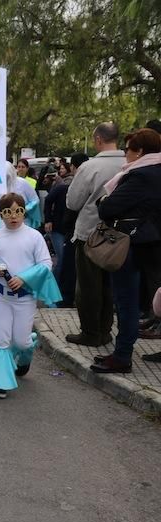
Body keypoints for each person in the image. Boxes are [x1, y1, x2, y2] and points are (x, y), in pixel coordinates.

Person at [90, 128, 161, 372]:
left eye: (128, 149)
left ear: (140, 152)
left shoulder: (141, 175)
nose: (125, 155)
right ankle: (121, 354)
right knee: (147, 301)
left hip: (132, 246)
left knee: (126, 302)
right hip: (153, 248)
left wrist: (104, 201)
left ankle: (122, 357)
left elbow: (107, 208)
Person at [0, 193, 59, 398]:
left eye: (18, 211)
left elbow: (46, 264)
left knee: (22, 341)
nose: (13, 216)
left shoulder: (34, 236)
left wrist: (24, 278)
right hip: (0, 295)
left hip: (25, 297)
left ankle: (25, 355)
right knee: (0, 339)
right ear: (1, 214)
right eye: (8, 212)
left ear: (24, 212)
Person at [65, 122, 125, 347]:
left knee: (89, 286)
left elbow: (73, 202)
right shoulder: (129, 163)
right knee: (111, 285)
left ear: (98, 139)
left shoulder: (90, 167)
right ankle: (105, 329)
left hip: (91, 234)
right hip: (122, 236)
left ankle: (90, 332)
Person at [44, 161, 73, 282]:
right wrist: (48, 220)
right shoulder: (61, 186)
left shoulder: (80, 186)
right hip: (58, 228)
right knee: (61, 259)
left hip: (70, 229)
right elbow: (48, 200)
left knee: (66, 260)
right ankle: (52, 287)